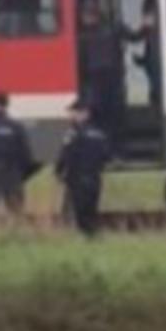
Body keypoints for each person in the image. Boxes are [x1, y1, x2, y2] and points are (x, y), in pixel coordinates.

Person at [56, 98, 113, 236]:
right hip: (94, 179)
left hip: (77, 179)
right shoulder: (100, 134)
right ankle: (93, 237)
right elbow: (106, 157)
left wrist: (59, 172)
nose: (72, 116)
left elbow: (66, 156)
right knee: (91, 211)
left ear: (85, 114)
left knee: (79, 214)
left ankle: (87, 238)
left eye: (75, 113)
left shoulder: (73, 134)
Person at [77, 1, 129, 137]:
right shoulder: (113, 29)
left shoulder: (83, 37)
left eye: (86, 16)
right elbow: (132, 36)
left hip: (97, 80)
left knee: (101, 114)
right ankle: (116, 148)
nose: (85, 19)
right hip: (112, 79)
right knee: (113, 115)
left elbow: (82, 61)